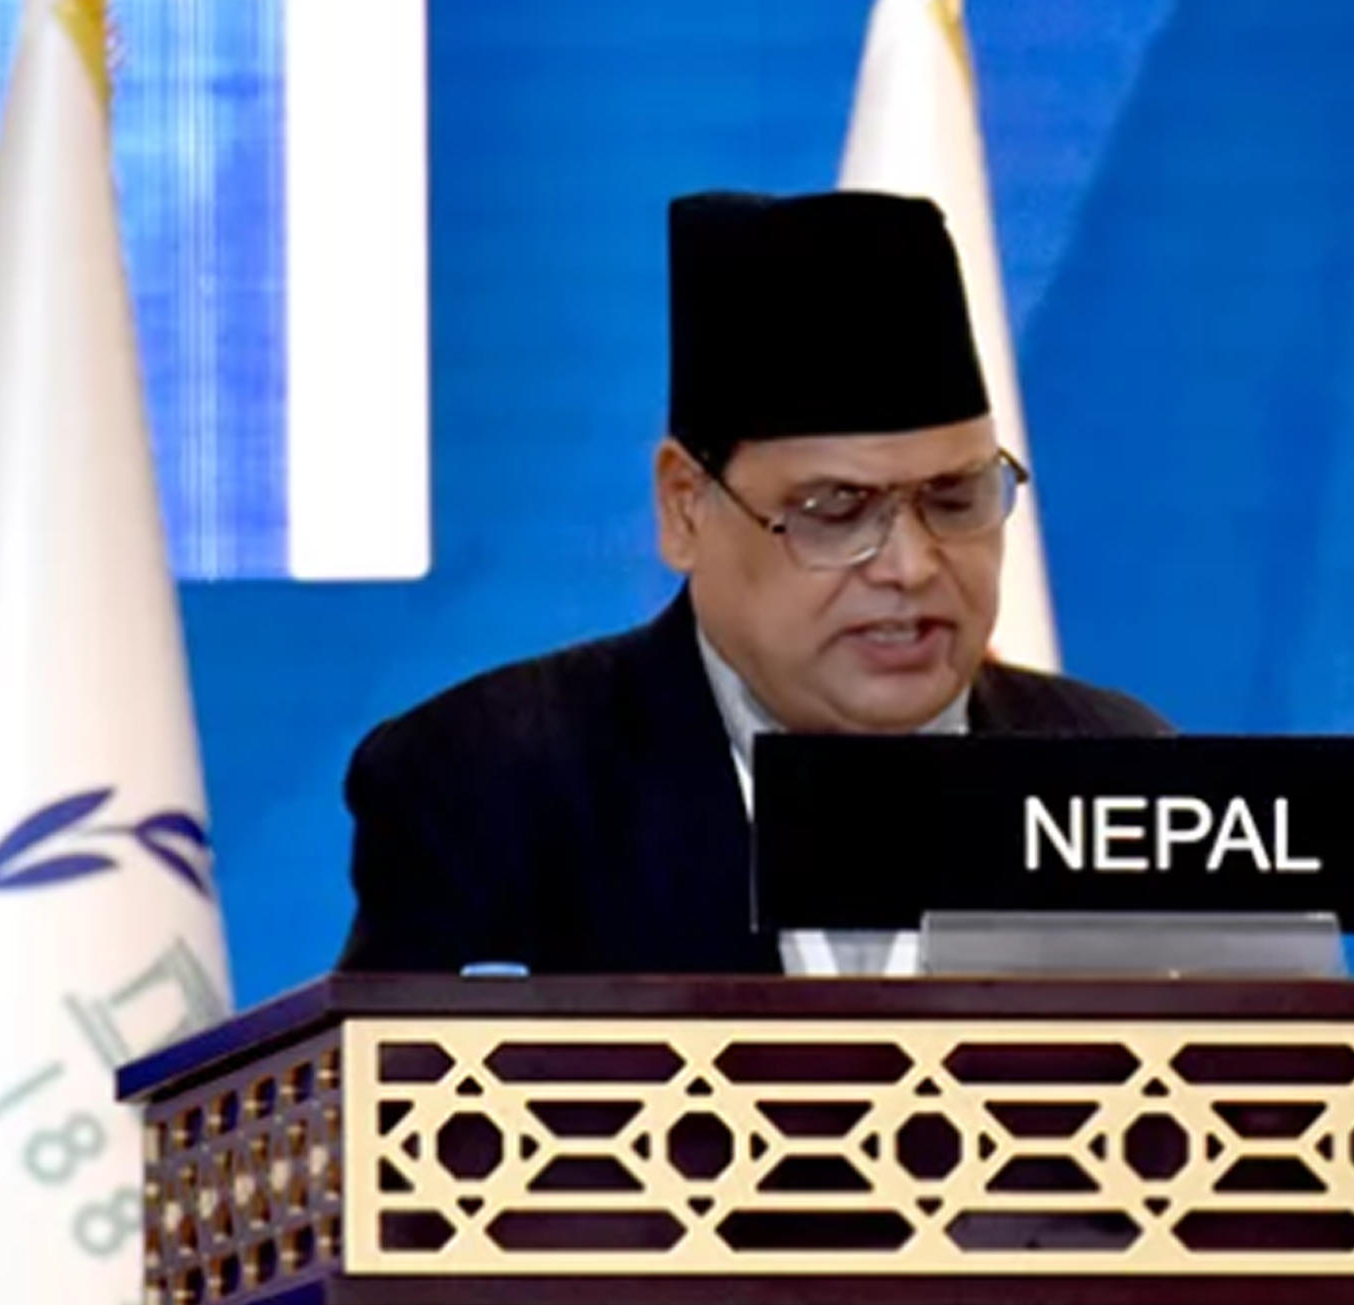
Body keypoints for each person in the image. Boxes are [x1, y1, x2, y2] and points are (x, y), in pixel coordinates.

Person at [336, 189, 1171, 976]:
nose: (913, 565)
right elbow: (386, 1080)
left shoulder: (1121, 777)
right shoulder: (494, 786)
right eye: (836, 509)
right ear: (686, 507)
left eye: (956, 499)